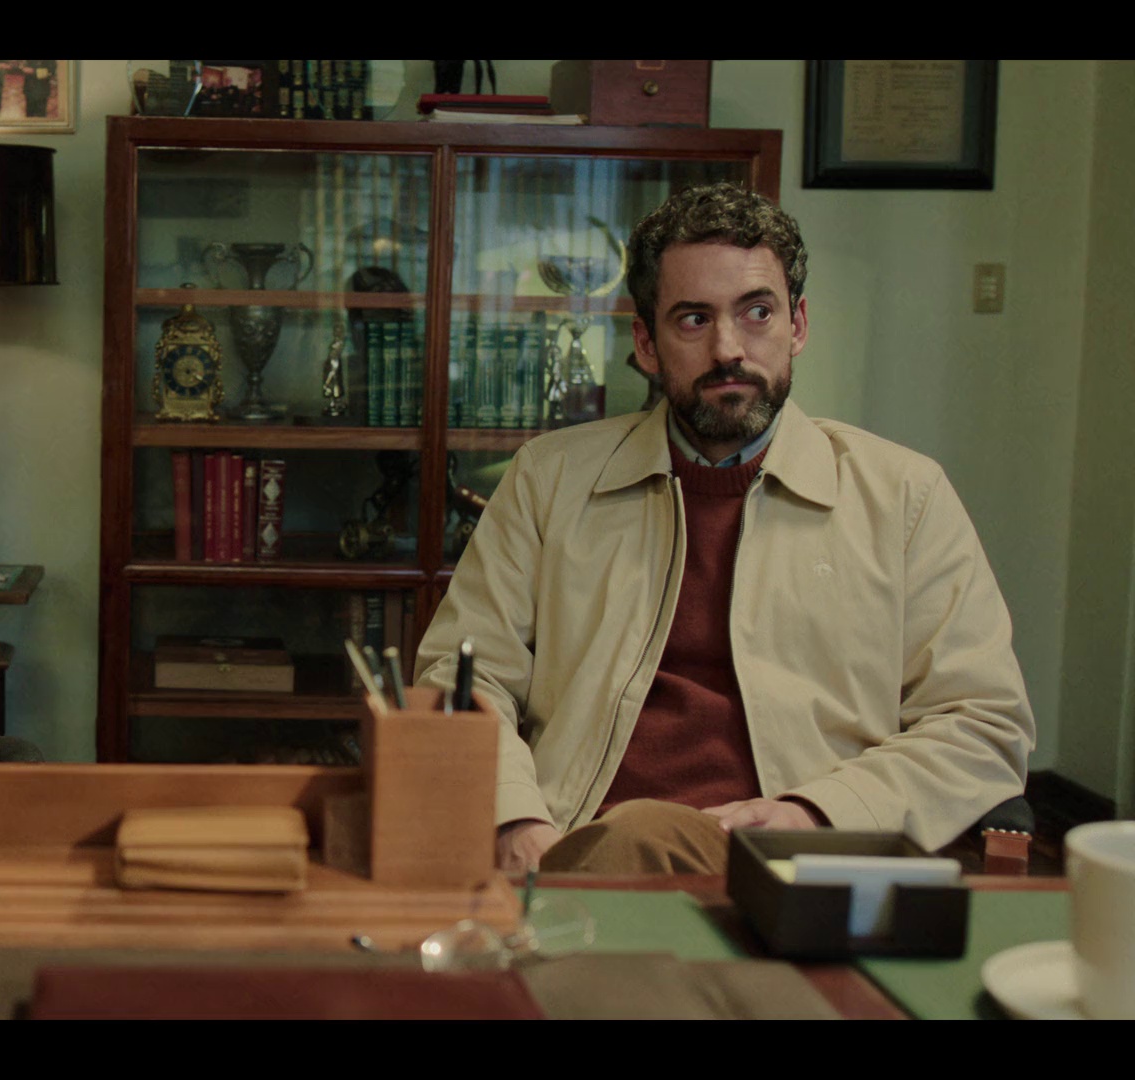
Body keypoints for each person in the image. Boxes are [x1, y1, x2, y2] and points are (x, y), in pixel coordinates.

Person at [414, 182, 1034, 875]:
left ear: (798, 326)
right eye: (693, 320)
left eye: (757, 312)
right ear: (646, 344)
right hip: (573, 843)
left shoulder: (904, 497)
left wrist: (815, 812)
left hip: (799, 867)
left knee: (641, 838)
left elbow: (982, 725)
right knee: (631, 837)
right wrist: (513, 817)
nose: (728, 349)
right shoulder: (550, 479)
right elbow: (460, 677)